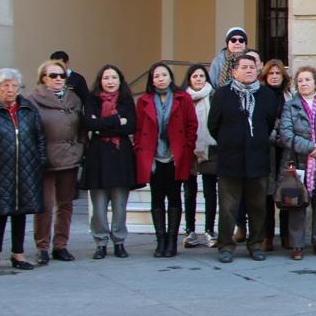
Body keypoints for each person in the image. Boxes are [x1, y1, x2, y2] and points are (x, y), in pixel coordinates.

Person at [209, 54, 282, 264]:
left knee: (258, 207)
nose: (249, 70)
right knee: (228, 208)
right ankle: (225, 246)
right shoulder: (222, 95)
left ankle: (256, 244)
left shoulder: (267, 96)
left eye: (252, 67)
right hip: (230, 161)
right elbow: (213, 125)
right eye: (244, 67)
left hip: (257, 160)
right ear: (234, 72)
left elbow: (268, 123)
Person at [0, 69, 45, 275]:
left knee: (21, 213)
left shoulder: (28, 110)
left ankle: (18, 254)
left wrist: (40, 162)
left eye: (14, 86)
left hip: (26, 169)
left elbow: (39, 138)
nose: (10, 90)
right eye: (5, 85)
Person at [134, 62, 198, 258]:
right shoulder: (144, 100)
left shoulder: (183, 98)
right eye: (156, 76)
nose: (160, 78)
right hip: (153, 156)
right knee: (156, 197)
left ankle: (171, 241)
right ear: (151, 80)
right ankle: (160, 241)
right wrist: (140, 149)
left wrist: (187, 147)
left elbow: (191, 125)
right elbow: (138, 129)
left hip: (175, 155)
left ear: (170, 77)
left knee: (174, 197)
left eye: (164, 75)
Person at [277, 66, 316, 259]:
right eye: (300, 81)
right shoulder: (290, 106)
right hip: (297, 162)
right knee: (297, 204)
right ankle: (297, 245)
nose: (303, 83)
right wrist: (311, 148)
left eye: (307, 80)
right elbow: (286, 134)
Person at [80, 64, 137, 260]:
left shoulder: (127, 100)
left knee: (120, 204)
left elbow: (130, 126)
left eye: (114, 78)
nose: (110, 82)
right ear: (100, 81)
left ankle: (119, 241)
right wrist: (116, 121)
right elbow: (89, 123)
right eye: (106, 78)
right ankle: (101, 242)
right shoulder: (92, 100)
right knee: (99, 205)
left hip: (121, 157)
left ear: (120, 80)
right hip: (97, 158)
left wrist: (102, 126)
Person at [30, 59, 83, 264]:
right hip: (45, 160)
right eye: (53, 75)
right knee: (44, 204)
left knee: (66, 204)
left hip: (69, 158)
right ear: (44, 78)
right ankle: (42, 246)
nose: (58, 79)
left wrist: (79, 148)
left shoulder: (73, 99)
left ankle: (61, 245)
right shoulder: (33, 100)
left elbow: (81, 128)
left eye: (62, 75)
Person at [258, 59, 291, 251]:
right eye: (271, 73)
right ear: (265, 76)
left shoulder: (289, 96)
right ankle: (267, 236)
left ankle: (286, 235)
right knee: (266, 195)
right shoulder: (260, 96)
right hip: (266, 150)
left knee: (287, 192)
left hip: (286, 150)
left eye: (278, 73)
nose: (275, 76)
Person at [182, 63, 216, 248]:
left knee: (210, 192)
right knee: (189, 192)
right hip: (189, 149)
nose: (198, 79)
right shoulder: (183, 98)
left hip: (210, 147)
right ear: (189, 79)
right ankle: (190, 231)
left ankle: (210, 230)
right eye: (194, 76)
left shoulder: (213, 95)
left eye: (201, 76)